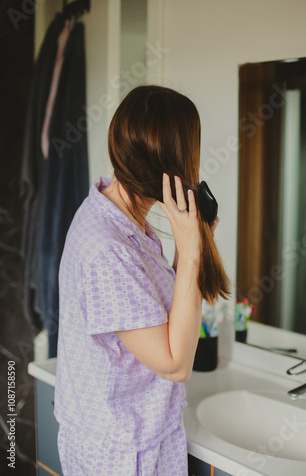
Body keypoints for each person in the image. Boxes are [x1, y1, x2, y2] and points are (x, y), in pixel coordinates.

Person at [54, 85, 230, 475]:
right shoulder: (109, 248)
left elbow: (155, 313)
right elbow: (175, 364)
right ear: (176, 163)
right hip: (121, 454)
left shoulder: (117, 218)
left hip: (130, 439)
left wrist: (190, 248)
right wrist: (192, 253)